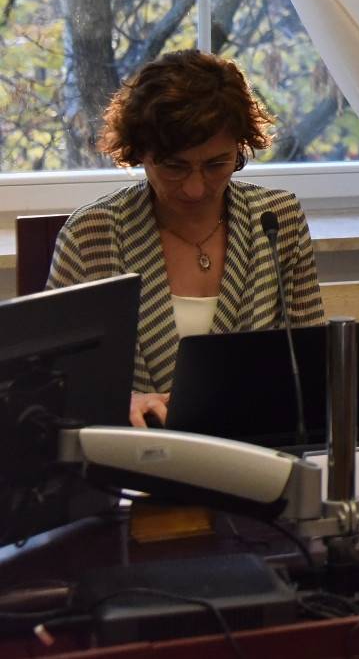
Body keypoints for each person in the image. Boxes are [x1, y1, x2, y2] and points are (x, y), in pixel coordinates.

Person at [46, 50, 323, 427]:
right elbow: (53, 383)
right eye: (174, 167)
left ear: (240, 149)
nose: (195, 188)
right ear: (139, 153)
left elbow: (313, 363)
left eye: (215, 164)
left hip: (254, 444)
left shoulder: (277, 220)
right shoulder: (92, 234)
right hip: (134, 448)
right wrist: (118, 400)